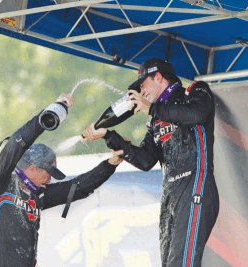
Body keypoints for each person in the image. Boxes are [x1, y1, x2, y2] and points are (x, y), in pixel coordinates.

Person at [82, 58, 219, 267]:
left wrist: (152, 109)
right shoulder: (155, 118)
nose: (142, 91)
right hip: (170, 195)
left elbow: (197, 114)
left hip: (195, 186)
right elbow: (145, 160)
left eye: (143, 84)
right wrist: (108, 136)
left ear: (158, 77)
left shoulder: (194, 91)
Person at [0, 93, 123, 267]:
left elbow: (77, 188)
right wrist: (47, 115)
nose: (49, 180)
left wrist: (110, 164)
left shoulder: (38, 195)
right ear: (32, 168)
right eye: (48, 174)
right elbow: (14, 146)